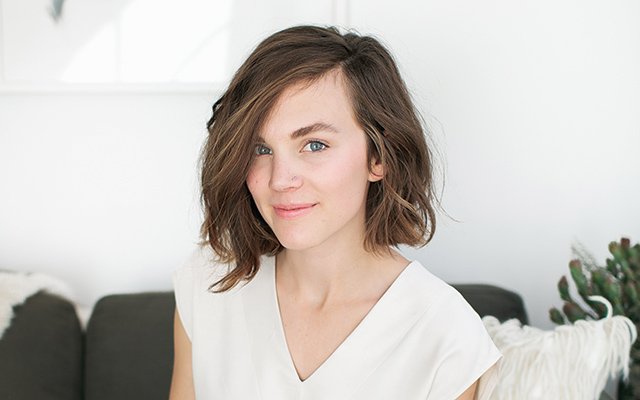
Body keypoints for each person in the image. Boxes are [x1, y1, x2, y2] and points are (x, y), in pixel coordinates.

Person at [170, 25, 501, 400]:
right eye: (261, 149)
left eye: (314, 144)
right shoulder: (209, 283)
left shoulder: (446, 336)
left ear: (378, 157)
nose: (280, 179)